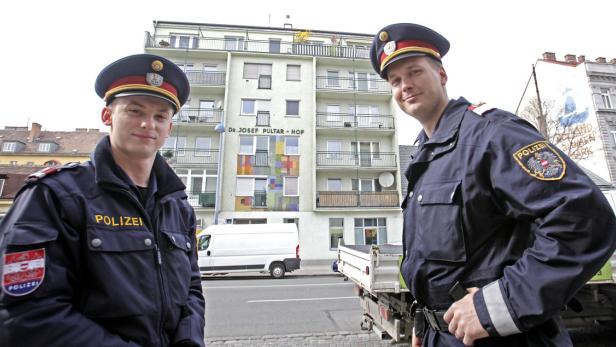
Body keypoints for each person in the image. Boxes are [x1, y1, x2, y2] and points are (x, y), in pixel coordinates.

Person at [370, 23, 616, 346]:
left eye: (414, 72)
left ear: (441, 75)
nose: (406, 86)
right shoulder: (423, 159)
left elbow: (585, 218)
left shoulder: (492, 134)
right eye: (396, 81)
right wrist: (424, 319)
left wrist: (498, 305)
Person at [0, 54, 205, 346]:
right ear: (107, 116)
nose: (148, 124)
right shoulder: (55, 196)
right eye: (135, 111)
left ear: (169, 128)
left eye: (161, 116)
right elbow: (25, 313)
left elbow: (192, 290)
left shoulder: (177, 206)